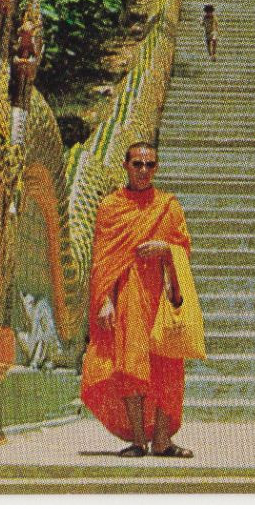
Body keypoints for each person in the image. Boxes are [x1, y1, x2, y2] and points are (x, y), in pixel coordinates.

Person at [79, 141, 196, 457]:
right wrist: (104, 299)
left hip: (162, 293)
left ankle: (162, 439)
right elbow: (102, 259)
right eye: (137, 164)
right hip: (129, 292)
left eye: (150, 165)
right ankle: (138, 439)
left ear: (156, 167)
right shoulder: (111, 207)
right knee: (130, 364)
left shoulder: (169, 206)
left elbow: (183, 249)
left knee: (166, 366)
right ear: (126, 166)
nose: (144, 171)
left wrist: (165, 249)